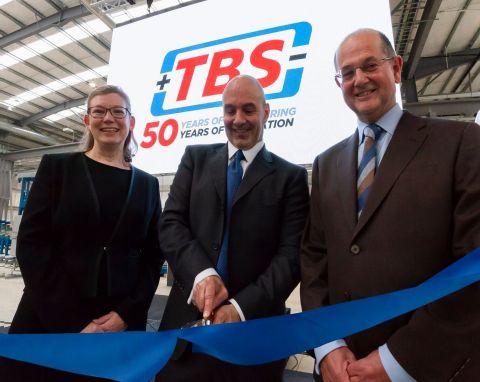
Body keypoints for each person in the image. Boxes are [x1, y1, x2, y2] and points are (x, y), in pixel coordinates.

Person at [300, 28, 480, 382]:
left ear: (396, 69)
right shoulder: (326, 164)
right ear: (339, 84)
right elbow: (313, 259)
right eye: (348, 73)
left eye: (370, 66)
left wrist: (397, 360)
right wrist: (327, 345)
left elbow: (472, 267)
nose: (359, 79)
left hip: (426, 368)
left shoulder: (460, 143)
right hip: (341, 369)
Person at [2, 84, 163, 381]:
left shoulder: (147, 185)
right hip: (50, 315)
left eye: (118, 111)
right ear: (87, 121)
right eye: (99, 111)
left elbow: (153, 257)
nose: (109, 119)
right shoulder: (58, 169)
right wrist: (72, 321)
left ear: (131, 122)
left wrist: (126, 315)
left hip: (116, 321)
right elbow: (32, 245)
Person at [156, 75, 309, 382]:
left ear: (266, 112)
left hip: (255, 341)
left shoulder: (290, 177)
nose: (238, 119)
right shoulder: (194, 159)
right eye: (230, 110)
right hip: (186, 337)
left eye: (248, 110)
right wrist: (203, 274)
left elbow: (290, 257)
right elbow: (171, 224)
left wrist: (239, 308)